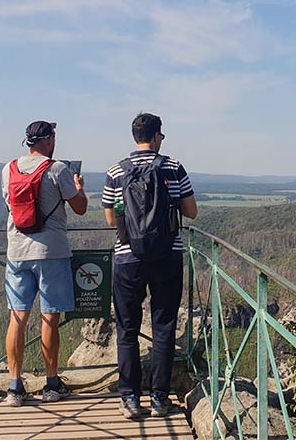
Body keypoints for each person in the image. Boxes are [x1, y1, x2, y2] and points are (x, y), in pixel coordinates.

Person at [102, 113, 197, 419]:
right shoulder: (172, 167)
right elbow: (191, 211)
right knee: (164, 327)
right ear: (156, 137)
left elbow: (111, 217)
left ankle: (129, 398)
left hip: (128, 257)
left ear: (135, 137)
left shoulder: (116, 171)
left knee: (127, 329)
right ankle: (159, 397)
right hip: (167, 256)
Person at [1, 121, 88, 406]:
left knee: (18, 318)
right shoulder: (57, 169)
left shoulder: (8, 169)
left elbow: (10, 205)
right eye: (54, 137)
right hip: (50, 252)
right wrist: (78, 187)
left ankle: (15, 387)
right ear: (48, 140)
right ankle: (51, 384)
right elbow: (80, 207)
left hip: (17, 251)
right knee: (49, 318)